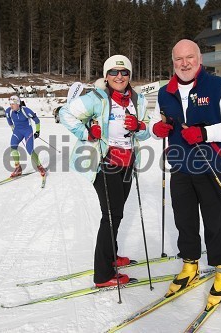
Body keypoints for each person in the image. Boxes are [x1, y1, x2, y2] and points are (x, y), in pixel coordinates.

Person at [149, 39, 221, 309]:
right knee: (185, 220)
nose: (184, 63)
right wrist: (158, 130)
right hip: (180, 165)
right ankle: (190, 265)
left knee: (215, 221)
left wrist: (205, 133)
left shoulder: (218, 86)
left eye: (189, 57)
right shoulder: (164, 92)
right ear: (173, 62)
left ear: (199, 59)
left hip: (211, 164)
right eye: (179, 59)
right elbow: (159, 122)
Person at [59, 55, 150, 287]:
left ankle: (111, 257)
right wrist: (88, 131)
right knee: (111, 215)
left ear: (129, 75)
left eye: (124, 72)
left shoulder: (138, 100)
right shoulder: (96, 98)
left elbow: (146, 131)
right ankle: (102, 275)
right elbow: (65, 114)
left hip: (128, 163)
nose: (119, 76)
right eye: (113, 72)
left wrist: (139, 127)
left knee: (116, 213)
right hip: (104, 162)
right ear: (106, 76)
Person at [5, 95, 46, 177]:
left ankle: (40, 166)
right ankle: (18, 168)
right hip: (17, 131)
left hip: (27, 131)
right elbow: (9, 120)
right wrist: (13, 129)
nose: (11, 106)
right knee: (13, 146)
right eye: (10, 104)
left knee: (29, 149)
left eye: (13, 104)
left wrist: (37, 132)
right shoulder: (8, 111)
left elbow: (37, 121)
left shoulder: (26, 110)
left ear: (18, 104)